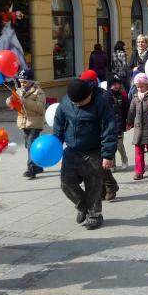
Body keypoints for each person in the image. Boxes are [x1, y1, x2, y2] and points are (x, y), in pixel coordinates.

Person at [54, 79, 117, 229]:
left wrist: (107, 155)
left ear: (89, 94)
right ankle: (82, 205)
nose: (77, 105)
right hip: (72, 150)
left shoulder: (101, 104)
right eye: (74, 102)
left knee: (93, 186)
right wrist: (56, 143)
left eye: (80, 102)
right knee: (66, 183)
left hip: (93, 151)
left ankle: (95, 216)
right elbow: (59, 123)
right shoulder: (66, 102)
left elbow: (109, 129)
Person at [79, 70, 120, 200]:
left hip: (102, 134)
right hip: (88, 135)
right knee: (94, 165)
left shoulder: (103, 97)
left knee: (100, 164)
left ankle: (111, 186)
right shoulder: (83, 94)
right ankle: (103, 189)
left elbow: (110, 117)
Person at [6, 69, 46, 179]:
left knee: (31, 145)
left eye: (25, 82)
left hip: (35, 123)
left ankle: (31, 169)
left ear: (31, 81)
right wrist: (10, 100)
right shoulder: (19, 90)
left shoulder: (39, 92)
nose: (22, 84)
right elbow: (9, 102)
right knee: (28, 145)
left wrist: (25, 101)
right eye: (21, 82)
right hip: (24, 122)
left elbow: (40, 107)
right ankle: (38, 166)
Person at [108, 76, 130, 170]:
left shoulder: (122, 96)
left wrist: (127, 122)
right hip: (109, 125)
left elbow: (126, 110)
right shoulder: (106, 96)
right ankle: (113, 164)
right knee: (110, 145)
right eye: (114, 84)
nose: (117, 86)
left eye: (118, 84)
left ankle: (124, 159)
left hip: (119, 124)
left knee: (119, 144)